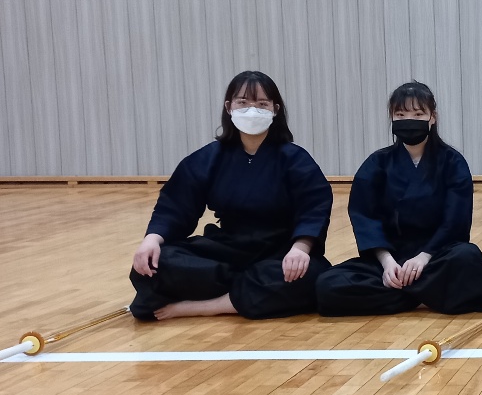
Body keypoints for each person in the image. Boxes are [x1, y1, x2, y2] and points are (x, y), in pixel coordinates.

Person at [128, 71, 332, 320]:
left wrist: (301, 249)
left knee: (312, 274)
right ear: (229, 107)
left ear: (275, 110)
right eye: (243, 102)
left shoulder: (295, 159)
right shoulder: (208, 158)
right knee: (155, 264)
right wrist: (152, 240)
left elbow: (314, 207)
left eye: (262, 104)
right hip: (227, 249)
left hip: (280, 250)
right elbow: (176, 205)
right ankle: (249, 291)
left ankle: (213, 305)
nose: (252, 110)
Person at [315, 81, 482, 316]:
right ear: (392, 118)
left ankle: (401, 292)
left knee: (466, 257)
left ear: (432, 118)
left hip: (436, 257)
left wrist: (423, 257)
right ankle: (421, 291)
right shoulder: (377, 163)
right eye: (400, 115)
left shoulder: (452, 162)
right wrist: (387, 263)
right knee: (327, 285)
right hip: (391, 257)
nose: (409, 120)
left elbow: (456, 220)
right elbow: (364, 216)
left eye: (418, 114)